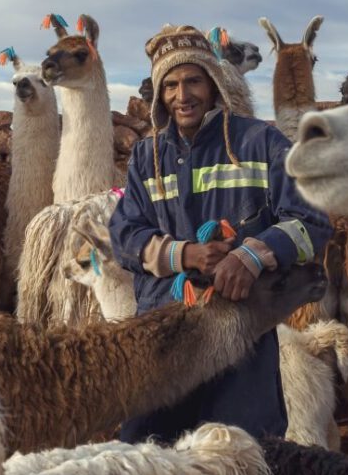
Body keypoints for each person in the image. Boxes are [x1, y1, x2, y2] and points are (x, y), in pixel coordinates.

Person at [108, 24, 333, 444]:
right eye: (171, 85)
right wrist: (184, 255)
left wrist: (253, 256)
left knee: (236, 454)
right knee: (146, 455)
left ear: (213, 84)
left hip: (239, 341)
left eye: (193, 80)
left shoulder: (258, 143)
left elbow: (312, 220)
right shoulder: (147, 156)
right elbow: (124, 235)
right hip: (164, 337)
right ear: (159, 94)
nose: (183, 95)